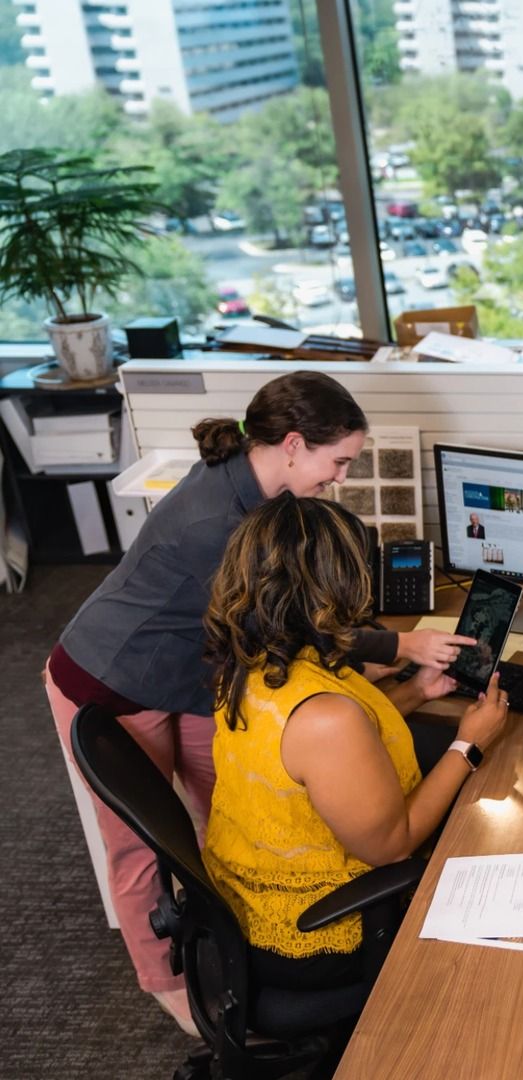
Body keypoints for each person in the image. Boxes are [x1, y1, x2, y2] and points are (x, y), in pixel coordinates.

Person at [42, 371, 471, 1032]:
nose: (340, 477)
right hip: (113, 675)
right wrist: (398, 648)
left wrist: (400, 659)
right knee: (143, 844)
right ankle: (173, 989)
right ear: (294, 445)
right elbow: (285, 621)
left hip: (198, 668)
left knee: (243, 801)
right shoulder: (216, 524)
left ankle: (252, 938)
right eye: (338, 462)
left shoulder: (262, 498)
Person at [202, 496, 510, 990]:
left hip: (242, 884)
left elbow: (316, 758)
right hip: (320, 932)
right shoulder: (326, 718)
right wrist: (468, 745)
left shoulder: (253, 657)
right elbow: (392, 846)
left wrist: (415, 691)